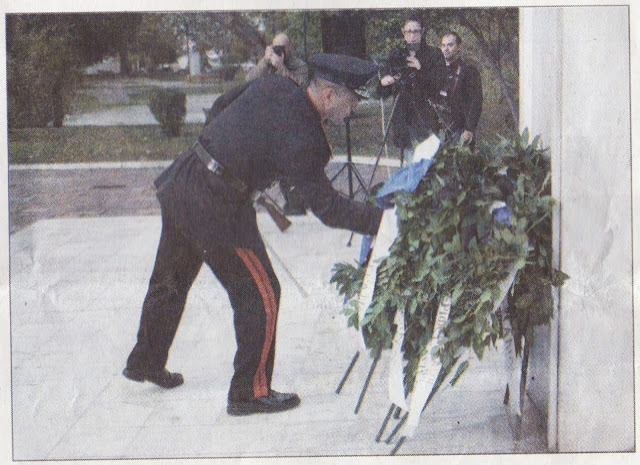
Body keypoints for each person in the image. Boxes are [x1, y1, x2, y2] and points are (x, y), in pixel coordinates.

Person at [123, 54, 383, 416]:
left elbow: (219, 107)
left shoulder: (275, 85)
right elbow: (329, 209)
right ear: (328, 96)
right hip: (219, 207)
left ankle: (145, 361)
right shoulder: (308, 136)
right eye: (352, 102)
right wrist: (383, 221)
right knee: (262, 294)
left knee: (170, 279)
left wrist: (230, 155)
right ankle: (249, 392)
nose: (352, 110)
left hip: (187, 176)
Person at [246, 32, 309, 215]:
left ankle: (296, 204)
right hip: (271, 121)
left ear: (290, 48)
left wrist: (281, 67)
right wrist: (265, 62)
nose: (279, 50)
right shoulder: (269, 63)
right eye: (276, 47)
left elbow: (297, 89)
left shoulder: (300, 66)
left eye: (282, 47)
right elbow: (249, 80)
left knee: (291, 166)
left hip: (292, 122)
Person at [379, 15, 445, 165]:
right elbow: (384, 92)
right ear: (403, 32)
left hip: (426, 119)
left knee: (428, 166)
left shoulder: (434, 54)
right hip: (403, 118)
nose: (412, 36)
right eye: (408, 32)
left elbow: (438, 85)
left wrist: (420, 69)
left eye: (416, 31)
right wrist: (384, 82)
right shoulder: (396, 55)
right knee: (409, 165)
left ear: (422, 32)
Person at [437, 31, 483, 149]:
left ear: (458, 47)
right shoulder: (438, 70)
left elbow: (476, 102)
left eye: (450, 45)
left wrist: (469, 128)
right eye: (443, 45)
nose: (446, 49)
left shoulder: (468, 71)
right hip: (441, 129)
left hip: (461, 129)